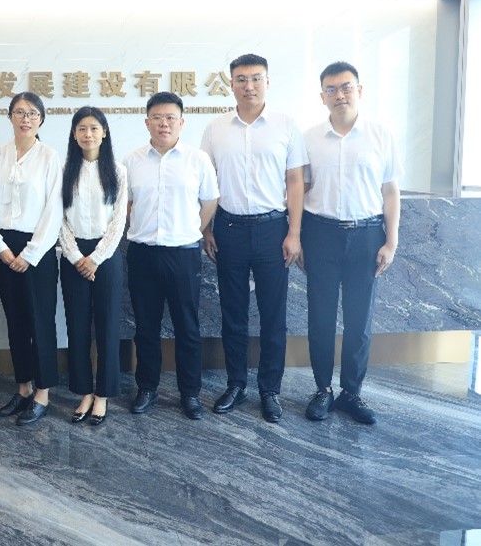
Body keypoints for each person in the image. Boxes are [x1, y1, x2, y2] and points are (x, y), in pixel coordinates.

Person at [200, 53, 306, 423]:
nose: (249, 86)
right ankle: (236, 384)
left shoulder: (285, 125)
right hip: (228, 229)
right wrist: (206, 228)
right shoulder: (215, 129)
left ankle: (270, 390)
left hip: (272, 229)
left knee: (273, 315)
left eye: (256, 78)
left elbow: (295, 181)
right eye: (242, 79)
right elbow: (206, 183)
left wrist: (294, 232)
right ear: (231, 84)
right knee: (233, 313)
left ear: (267, 81)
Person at [302, 61, 401, 425]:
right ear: (322, 96)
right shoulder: (309, 138)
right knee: (321, 317)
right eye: (331, 89)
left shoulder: (380, 135)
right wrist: (297, 236)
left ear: (360, 90)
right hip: (320, 234)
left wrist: (391, 241)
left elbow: (390, 192)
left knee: (360, 320)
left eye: (346, 87)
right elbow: (300, 190)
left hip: (366, 235)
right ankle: (322, 390)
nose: (339, 95)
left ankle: (351, 393)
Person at [125, 92, 219, 420]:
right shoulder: (132, 161)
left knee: (187, 326)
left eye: (170, 118)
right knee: (145, 327)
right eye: (157, 117)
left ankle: (190, 393)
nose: (164, 123)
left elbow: (210, 200)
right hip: (143, 254)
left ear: (182, 122)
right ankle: (146, 388)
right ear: (146, 122)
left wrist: (193, 229)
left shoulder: (197, 160)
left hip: (183, 254)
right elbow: (125, 204)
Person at [0, 92, 63, 426]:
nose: (25, 119)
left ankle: (42, 393)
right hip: (4, 247)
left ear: (41, 119)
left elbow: (54, 210)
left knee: (40, 321)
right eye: (19, 112)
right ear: (10, 117)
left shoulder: (50, 157)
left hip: (38, 250)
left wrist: (30, 253)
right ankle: (23, 387)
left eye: (32, 113)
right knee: (15, 321)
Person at [59, 106, 127, 426]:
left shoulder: (118, 171)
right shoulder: (63, 171)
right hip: (73, 255)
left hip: (106, 255)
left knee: (108, 326)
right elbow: (58, 219)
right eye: (82, 129)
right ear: (74, 134)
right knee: (77, 326)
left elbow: (118, 220)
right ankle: (84, 391)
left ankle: (103, 394)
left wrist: (96, 258)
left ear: (104, 132)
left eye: (94, 128)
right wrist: (75, 257)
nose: (88, 134)